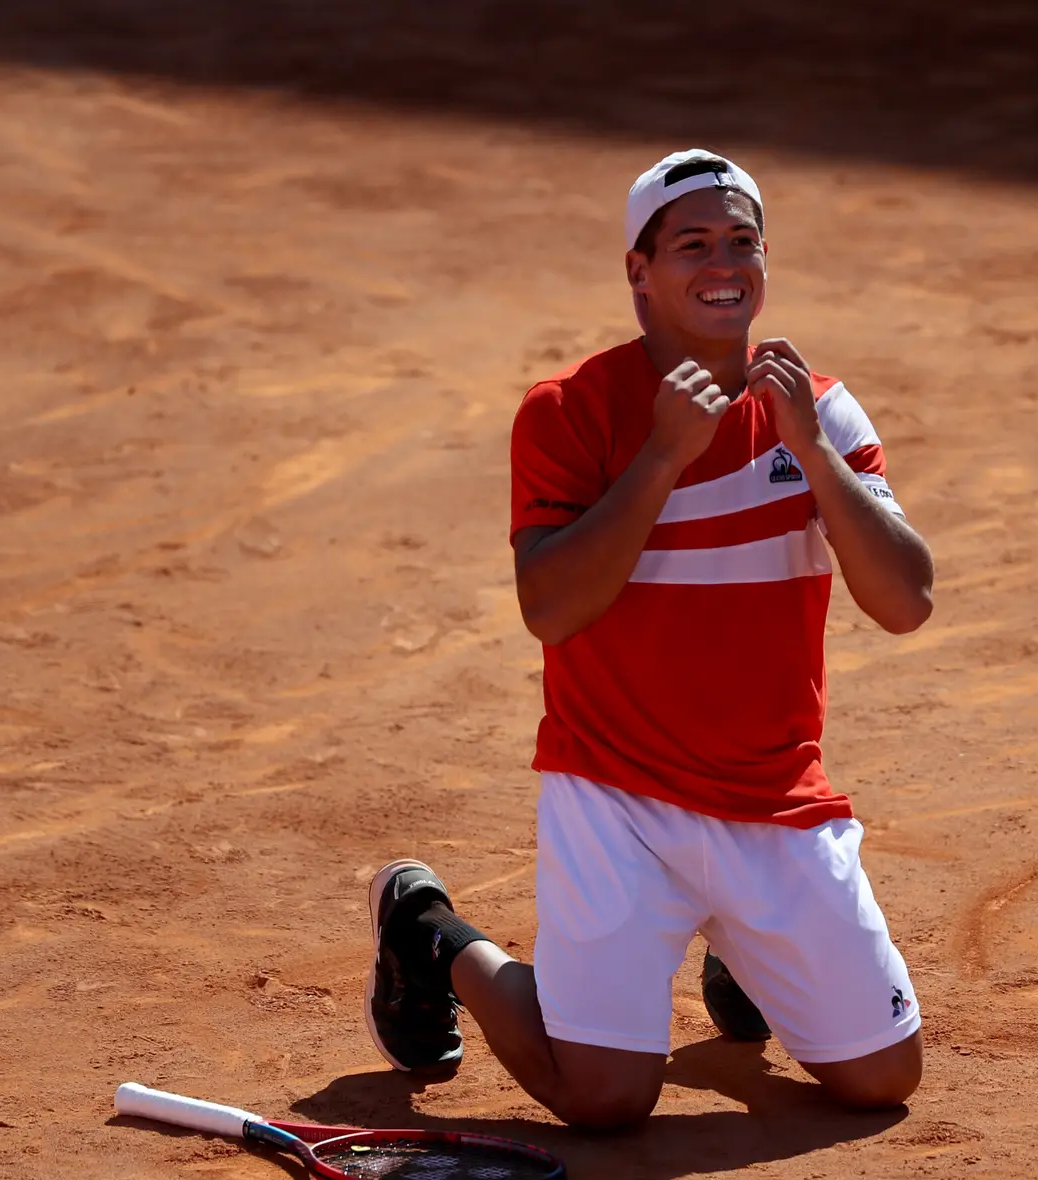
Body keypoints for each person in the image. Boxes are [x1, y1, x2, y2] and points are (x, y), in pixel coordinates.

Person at [362, 149, 935, 1129]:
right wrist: (667, 452)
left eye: (743, 241)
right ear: (641, 270)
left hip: (774, 799)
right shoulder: (570, 412)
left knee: (883, 1078)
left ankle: (742, 949)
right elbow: (551, 606)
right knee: (607, 1099)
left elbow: (905, 599)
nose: (725, 263)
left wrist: (815, 453)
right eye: (693, 244)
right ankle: (429, 931)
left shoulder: (821, 409)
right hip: (615, 797)